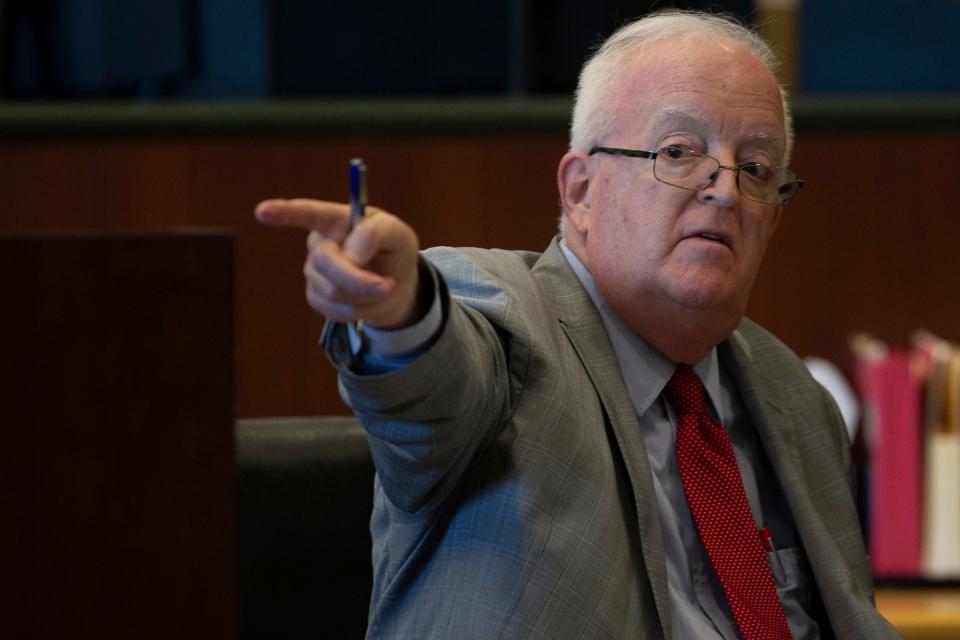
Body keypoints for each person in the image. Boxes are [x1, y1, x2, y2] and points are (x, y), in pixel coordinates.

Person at [256, 9, 899, 639]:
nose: (726, 191)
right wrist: (398, 311)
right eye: (678, 152)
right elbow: (432, 384)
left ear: (775, 216)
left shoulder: (799, 401)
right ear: (581, 190)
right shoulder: (501, 317)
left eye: (755, 168)